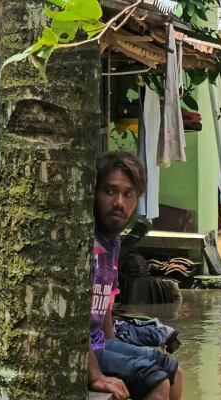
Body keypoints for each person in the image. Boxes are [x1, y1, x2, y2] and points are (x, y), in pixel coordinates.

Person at [90, 151, 183, 400]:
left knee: (175, 370)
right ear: (94, 193)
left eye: (128, 194)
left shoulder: (113, 242)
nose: (119, 202)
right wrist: (96, 375)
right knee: (158, 382)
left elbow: (106, 304)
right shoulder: (86, 242)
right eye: (110, 192)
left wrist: (114, 347)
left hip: (100, 345)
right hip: (83, 350)